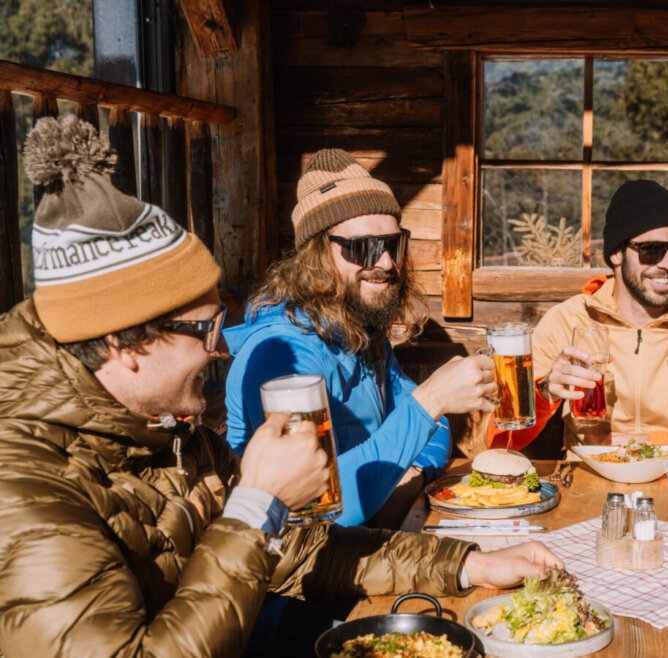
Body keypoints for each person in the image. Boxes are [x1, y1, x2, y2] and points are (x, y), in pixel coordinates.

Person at [0, 117, 561, 657]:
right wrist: (255, 507)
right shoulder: (26, 494)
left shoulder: (173, 436)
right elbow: (308, 519)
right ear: (123, 343)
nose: (221, 350)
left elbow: (301, 548)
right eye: (205, 330)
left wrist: (468, 564)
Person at [225, 149, 496, 527]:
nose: (385, 262)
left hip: (365, 547)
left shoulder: (361, 332)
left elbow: (435, 429)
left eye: (392, 245)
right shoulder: (282, 353)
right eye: (362, 248)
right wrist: (431, 400)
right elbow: (322, 507)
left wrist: (413, 473)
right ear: (317, 254)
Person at [490, 179, 668, 464]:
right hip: (588, 480)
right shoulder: (568, 319)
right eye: (651, 250)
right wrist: (545, 394)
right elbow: (498, 442)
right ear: (616, 254)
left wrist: (644, 445)